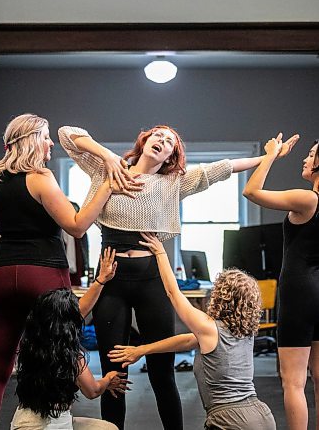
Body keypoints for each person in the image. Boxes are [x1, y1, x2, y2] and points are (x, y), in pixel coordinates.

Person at [58, 124, 297, 430]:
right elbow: (67, 135)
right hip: (112, 280)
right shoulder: (107, 169)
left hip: (150, 280)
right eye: (158, 134)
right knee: (114, 372)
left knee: (162, 373)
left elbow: (223, 168)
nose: (163, 140)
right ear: (145, 140)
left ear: (172, 155)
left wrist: (269, 157)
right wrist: (107, 156)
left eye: (170, 141)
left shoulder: (173, 182)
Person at [0, 113, 140, 430]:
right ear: (29, 140)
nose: (50, 142)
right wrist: (108, 187)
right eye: (45, 136)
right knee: (62, 343)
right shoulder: (40, 178)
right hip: (41, 273)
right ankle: (68, 408)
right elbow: (78, 226)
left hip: (1, 276)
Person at [109, 232, 276, 429]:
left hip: (231, 420)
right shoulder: (243, 332)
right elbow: (186, 341)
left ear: (220, 295)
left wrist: (161, 253)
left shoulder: (208, 328)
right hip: (262, 415)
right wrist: (141, 350)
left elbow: (173, 293)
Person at [243, 133, 319, 430]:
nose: (305, 158)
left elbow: (251, 191)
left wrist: (271, 155)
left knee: (293, 382)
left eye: (312, 155)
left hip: (300, 291)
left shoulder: (307, 199)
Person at [11, 286, 130, 430]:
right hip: (51, 424)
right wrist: (108, 379)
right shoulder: (71, 355)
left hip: (22, 421)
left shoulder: (30, 346)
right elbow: (93, 391)